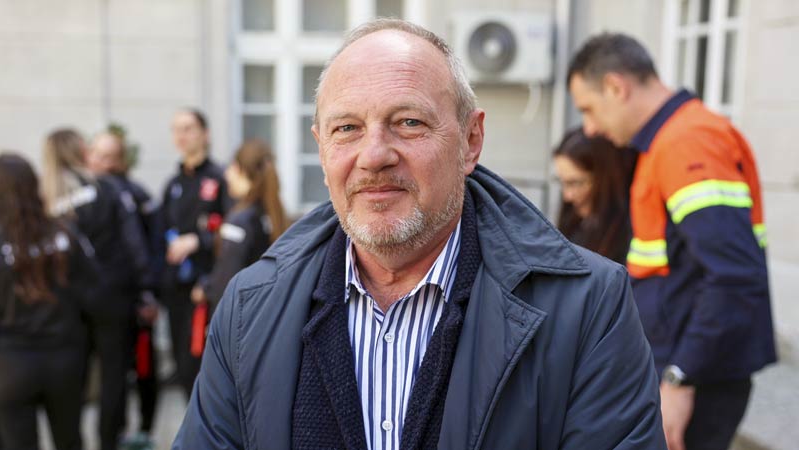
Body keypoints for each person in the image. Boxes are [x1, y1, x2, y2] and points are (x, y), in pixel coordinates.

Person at [173, 19, 666, 449]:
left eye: (408, 122)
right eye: (347, 128)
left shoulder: (587, 309)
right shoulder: (248, 308)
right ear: (321, 149)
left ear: (470, 141)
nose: (374, 155)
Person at [567, 32, 776, 450]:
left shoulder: (687, 142)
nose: (590, 127)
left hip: (694, 377)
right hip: (683, 365)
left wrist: (682, 377)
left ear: (615, 87)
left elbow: (732, 275)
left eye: (589, 108)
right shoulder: (669, 141)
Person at [0, 153, 99, 450]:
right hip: (64, 359)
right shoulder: (64, 234)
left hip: (11, 363)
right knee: (70, 441)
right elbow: (93, 293)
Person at [88, 130, 162, 450]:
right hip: (89, 304)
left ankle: (135, 433)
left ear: (120, 160)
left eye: (109, 156)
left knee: (130, 371)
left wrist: (147, 291)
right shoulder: (80, 194)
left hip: (124, 300)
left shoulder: (134, 195)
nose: (102, 163)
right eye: (98, 155)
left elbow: (146, 246)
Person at [160, 109, 231, 398]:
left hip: (206, 289)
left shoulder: (219, 179)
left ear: (205, 134)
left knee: (202, 365)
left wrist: (198, 241)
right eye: (176, 129)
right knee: (181, 365)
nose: (182, 135)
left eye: (188, 128)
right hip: (176, 288)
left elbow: (231, 231)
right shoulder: (173, 184)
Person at [190, 138, 288, 309]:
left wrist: (208, 290)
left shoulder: (239, 222)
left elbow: (226, 281)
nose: (227, 175)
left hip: (242, 315)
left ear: (241, 170)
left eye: (231, 167)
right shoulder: (272, 214)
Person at [552, 127, 636, 264]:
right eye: (562, 182)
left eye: (575, 183)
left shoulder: (631, 233)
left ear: (606, 179)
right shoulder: (574, 224)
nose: (568, 196)